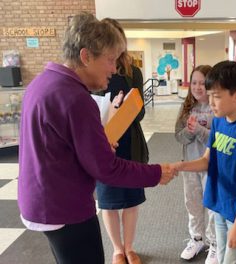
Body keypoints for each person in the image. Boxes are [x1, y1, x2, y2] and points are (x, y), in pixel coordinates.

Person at [17, 12, 175, 264]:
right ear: (85, 56)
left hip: (41, 201)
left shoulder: (42, 83)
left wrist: (97, 144)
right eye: (110, 59)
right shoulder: (75, 98)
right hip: (65, 207)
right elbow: (106, 169)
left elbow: (55, 147)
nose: (114, 68)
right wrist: (156, 173)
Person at [172, 60, 236, 264]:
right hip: (221, 206)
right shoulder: (220, 121)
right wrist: (180, 166)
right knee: (222, 258)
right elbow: (207, 161)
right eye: (210, 95)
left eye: (216, 96)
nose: (211, 102)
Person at [95, 18, 148, 264]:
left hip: (130, 144)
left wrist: (125, 108)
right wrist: (112, 109)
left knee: (131, 198)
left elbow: (140, 113)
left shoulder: (133, 71)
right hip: (104, 143)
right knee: (108, 200)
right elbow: (91, 110)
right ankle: (117, 249)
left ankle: (129, 247)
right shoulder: (94, 72)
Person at [175, 65, 217, 264]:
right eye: (194, 82)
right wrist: (190, 131)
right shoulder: (186, 108)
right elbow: (179, 137)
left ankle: (215, 244)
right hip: (190, 165)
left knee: (212, 206)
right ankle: (197, 239)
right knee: (192, 203)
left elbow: (220, 141)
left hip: (211, 166)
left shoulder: (218, 107)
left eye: (202, 82)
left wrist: (200, 130)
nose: (198, 87)